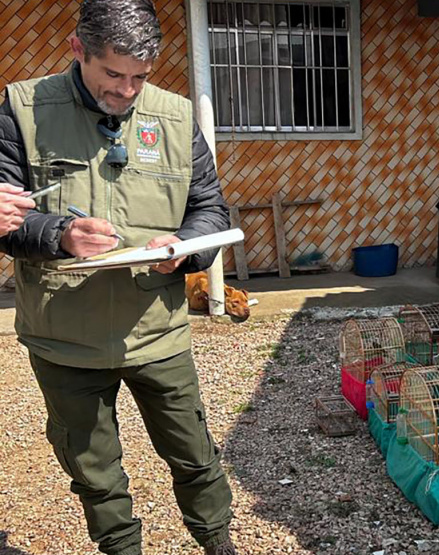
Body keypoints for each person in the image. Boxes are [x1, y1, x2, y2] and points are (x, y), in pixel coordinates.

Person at [0, 1, 236, 554]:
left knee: (195, 454)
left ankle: (218, 542)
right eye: (113, 74)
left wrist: (184, 247)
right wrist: (58, 234)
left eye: (140, 77)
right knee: (95, 472)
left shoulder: (176, 118)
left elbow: (210, 209)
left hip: (157, 332)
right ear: (78, 50)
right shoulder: (22, 110)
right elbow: (4, 217)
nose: (127, 91)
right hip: (65, 338)